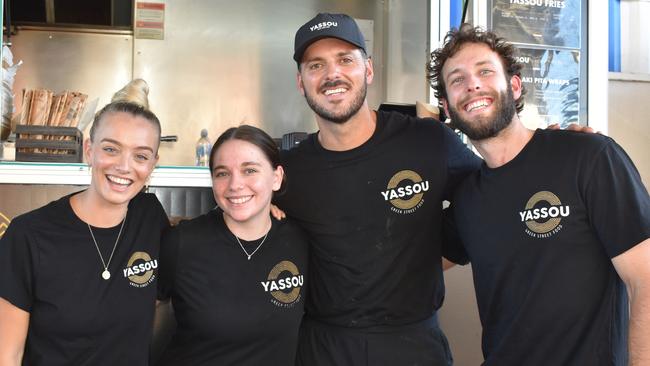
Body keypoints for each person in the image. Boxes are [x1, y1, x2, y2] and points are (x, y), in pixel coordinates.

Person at [428, 24, 650, 365]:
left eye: (485, 71)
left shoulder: (588, 157)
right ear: (447, 106)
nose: (472, 84)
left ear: (514, 87)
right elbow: (411, 263)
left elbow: (645, 279)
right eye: (456, 79)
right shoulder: (468, 198)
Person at [273, 13, 482, 366]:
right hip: (324, 347)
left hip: (413, 344)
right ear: (301, 81)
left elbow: (491, 193)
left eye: (345, 60)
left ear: (368, 70)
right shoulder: (288, 171)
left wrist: (552, 148)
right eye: (316, 65)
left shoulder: (427, 141)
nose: (331, 75)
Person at [0, 79, 169, 365]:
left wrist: (265, 216)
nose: (124, 167)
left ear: (153, 164)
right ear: (90, 150)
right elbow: (7, 355)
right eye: (111, 149)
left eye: (140, 155)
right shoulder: (28, 236)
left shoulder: (149, 216)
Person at [155, 125, 309, 366]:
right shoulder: (183, 242)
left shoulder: (299, 241)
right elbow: (135, 319)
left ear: (276, 178)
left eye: (249, 170)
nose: (235, 184)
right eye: (222, 173)